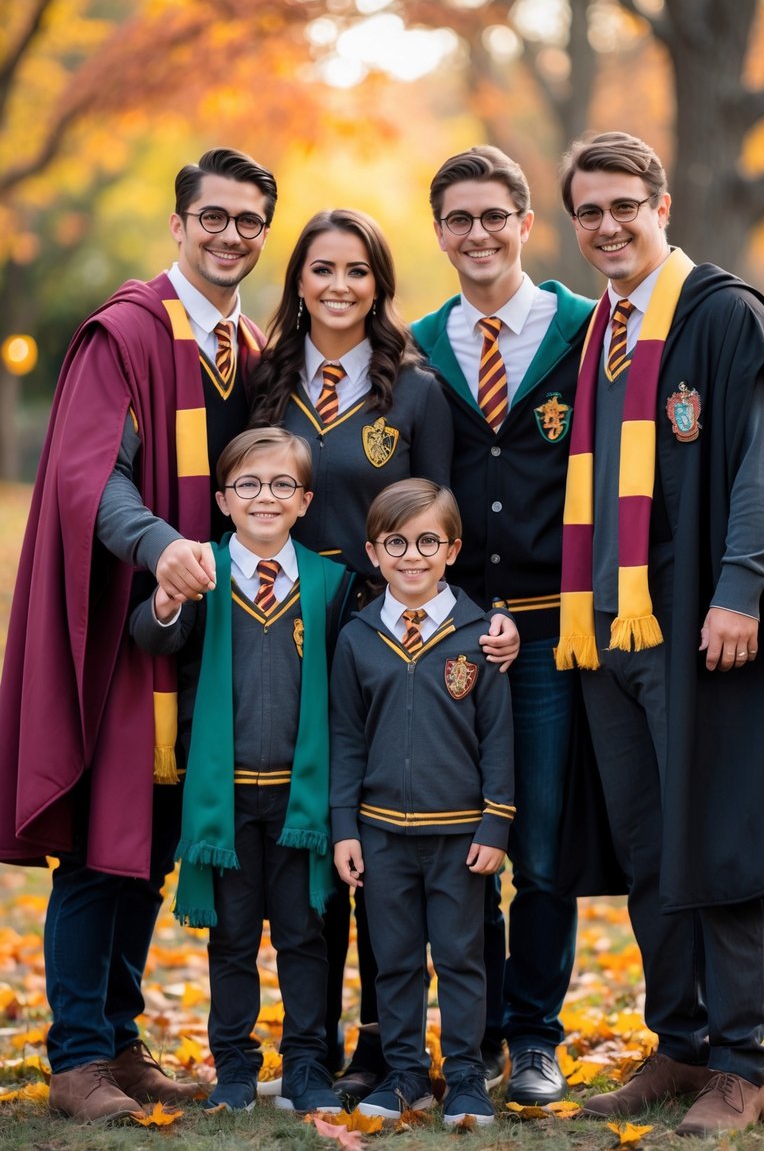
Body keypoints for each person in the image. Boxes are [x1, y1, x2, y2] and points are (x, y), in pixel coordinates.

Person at [556, 130, 764, 1137]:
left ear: (661, 203)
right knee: (650, 845)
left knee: (716, 838)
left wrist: (740, 590)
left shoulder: (719, 316)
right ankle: (675, 1043)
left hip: (699, 629)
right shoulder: (601, 334)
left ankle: (739, 1063)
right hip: (609, 636)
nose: (608, 224)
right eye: (589, 209)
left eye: (625, 203)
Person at [0, 148, 277, 1122]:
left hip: (208, 646)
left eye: (249, 220)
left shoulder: (249, 351)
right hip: (120, 632)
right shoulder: (125, 333)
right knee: (100, 839)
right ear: (179, 222)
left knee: (155, 839)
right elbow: (88, 476)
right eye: (214, 216)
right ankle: (74, 1057)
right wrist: (161, 547)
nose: (231, 233)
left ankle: (119, 1039)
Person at [248, 208, 518, 1099]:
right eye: (321, 269)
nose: (338, 286)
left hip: (386, 635)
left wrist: (484, 620)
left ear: (380, 283)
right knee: (323, 839)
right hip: (283, 635)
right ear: (296, 280)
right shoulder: (264, 381)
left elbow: (447, 524)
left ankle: (393, 1049)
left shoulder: (416, 389)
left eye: (357, 271)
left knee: (403, 840)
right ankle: (313, 1047)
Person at [411, 146, 594, 1103]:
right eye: (457, 220)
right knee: (456, 838)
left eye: (493, 217)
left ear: (527, 225)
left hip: (546, 635)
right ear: (438, 233)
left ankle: (532, 1036)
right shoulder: (418, 346)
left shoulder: (581, 330)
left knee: (544, 841)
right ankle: (471, 1035)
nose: (476, 235)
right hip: (447, 637)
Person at [131, 427, 348, 1115]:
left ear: (305, 499)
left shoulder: (331, 584)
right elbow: (152, 633)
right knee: (230, 941)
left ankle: (308, 1064)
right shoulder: (202, 576)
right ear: (223, 499)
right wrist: (167, 599)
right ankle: (234, 1068)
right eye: (248, 485)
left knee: (304, 938)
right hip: (222, 801)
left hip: (300, 805)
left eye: (281, 484)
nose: (264, 496)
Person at [330, 478, 514, 1125]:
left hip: (459, 837)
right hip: (379, 836)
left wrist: (495, 822)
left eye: (427, 541)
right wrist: (342, 827)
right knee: (397, 960)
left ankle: (464, 1076)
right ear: (373, 552)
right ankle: (406, 1074)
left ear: (452, 548)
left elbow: (497, 738)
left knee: (461, 958)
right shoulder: (356, 638)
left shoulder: (478, 637)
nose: (412, 556)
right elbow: (346, 740)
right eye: (396, 543)